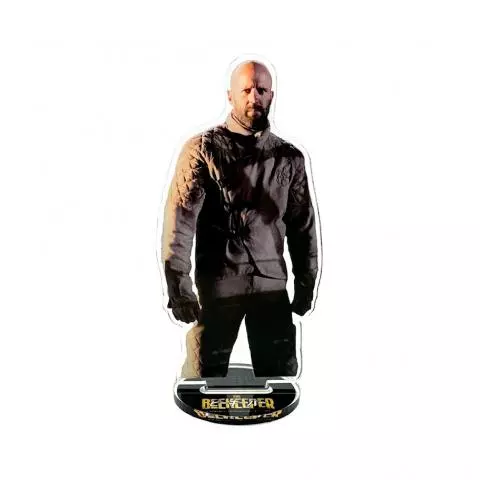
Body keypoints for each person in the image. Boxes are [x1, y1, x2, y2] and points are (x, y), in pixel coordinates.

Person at [161, 60, 319, 378]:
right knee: (203, 381)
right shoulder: (202, 150)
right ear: (230, 95)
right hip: (219, 286)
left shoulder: (289, 159)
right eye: (246, 90)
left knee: (278, 382)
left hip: (271, 287)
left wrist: (306, 282)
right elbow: (180, 222)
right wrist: (179, 287)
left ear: (271, 95)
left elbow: (302, 226)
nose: (253, 97)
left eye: (261, 89)